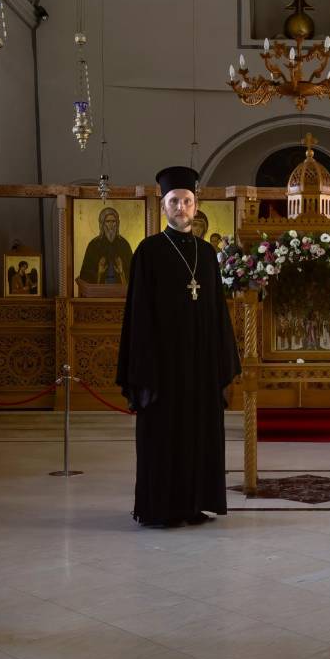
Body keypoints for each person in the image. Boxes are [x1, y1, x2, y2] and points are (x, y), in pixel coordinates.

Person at [117, 165, 241, 528]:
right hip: (163, 367)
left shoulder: (207, 254)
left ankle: (194, 504)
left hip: (200, 367)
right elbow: (138, 313)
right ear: (164, 205)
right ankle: (160, 508)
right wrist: (145, 368)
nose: (181, 207)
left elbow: (218, 311)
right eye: (174, 201)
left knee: (198, 436)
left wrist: (221, 361)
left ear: (196, 204)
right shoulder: (149, 251)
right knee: (163, 438)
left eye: (187, 201)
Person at [77, 207, 133, 293]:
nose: (111, 225)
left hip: (120, 292)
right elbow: (85, 275)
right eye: (107, 221)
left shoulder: (124, 245)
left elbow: (134, 273)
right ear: (102, 224)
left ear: (117, 224)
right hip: (99, 292)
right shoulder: (94, 245)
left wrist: (122, 272)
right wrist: (99, 273)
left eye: (113, 221)